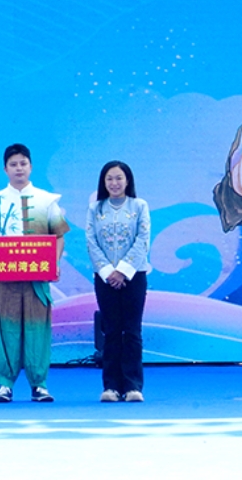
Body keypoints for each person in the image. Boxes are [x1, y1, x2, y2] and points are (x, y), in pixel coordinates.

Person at [0, 143, 68, 403]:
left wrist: (54, 262)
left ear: (31, 167)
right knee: (7, 330)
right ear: (5, 169)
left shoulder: (47, 200)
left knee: (38, 331)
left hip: (37, 278)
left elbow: (59, 236)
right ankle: (5, 385)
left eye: (23, 163)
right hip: (7, 279)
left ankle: (39, 385)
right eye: (13, 164)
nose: (19, 168)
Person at [85, 160, 151, 403]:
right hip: (105, 278)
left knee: (132, 331)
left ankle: (133, 386)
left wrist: (123, 271)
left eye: (119, 178)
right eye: (109, 179)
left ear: (127, 180)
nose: (114, 183)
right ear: (103, 182)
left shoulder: (139, 206)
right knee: (111, 331)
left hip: (134, 276)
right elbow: (91, 241)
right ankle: (111, 387)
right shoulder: (95, 209)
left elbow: (143, 239)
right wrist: (108, 272)